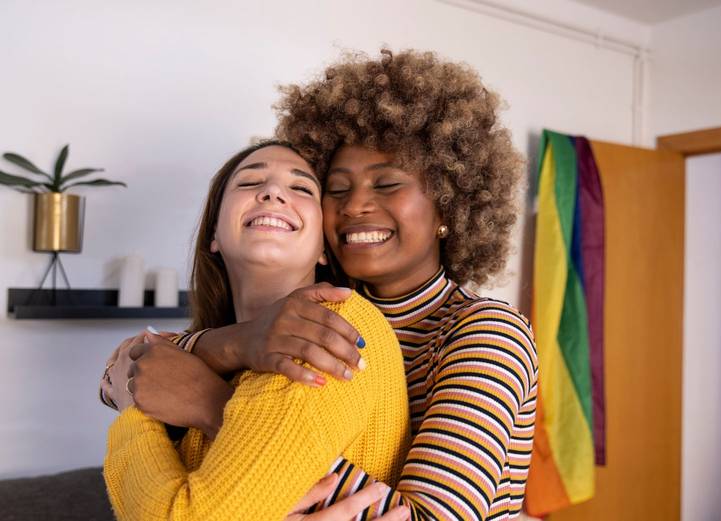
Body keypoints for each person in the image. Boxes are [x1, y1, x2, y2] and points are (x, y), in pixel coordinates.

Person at [104, 48, 539, 520]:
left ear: (451, 205)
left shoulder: (486, 332)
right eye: (335, 188)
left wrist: (215, 406)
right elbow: (131, 371)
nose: (354, 206)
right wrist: (233, 344)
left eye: (387, 183)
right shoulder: (299, 316)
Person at [100, 141, 412, 521]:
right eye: (249, 182)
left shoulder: (331, 326)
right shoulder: (196, 359)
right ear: (214, 233)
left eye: (301, 188)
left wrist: (134, 413)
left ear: (323, 249)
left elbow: (183, 515)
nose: (273, 192)